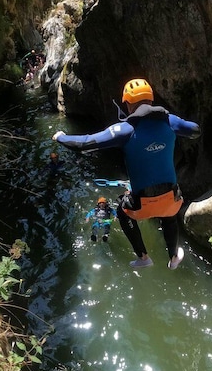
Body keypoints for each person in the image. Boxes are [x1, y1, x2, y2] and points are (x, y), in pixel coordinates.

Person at [52, 78, 200, 269]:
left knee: (122, 212)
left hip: (140, 207)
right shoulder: (169, 122)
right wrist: (172, 122)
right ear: (151, 100)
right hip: (171, 200)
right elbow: (195, 130)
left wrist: (61, 137)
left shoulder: (125, 130)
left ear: (129, 105)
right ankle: (173, 258)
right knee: (169, 215)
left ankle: (143, 257)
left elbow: (84, 144)